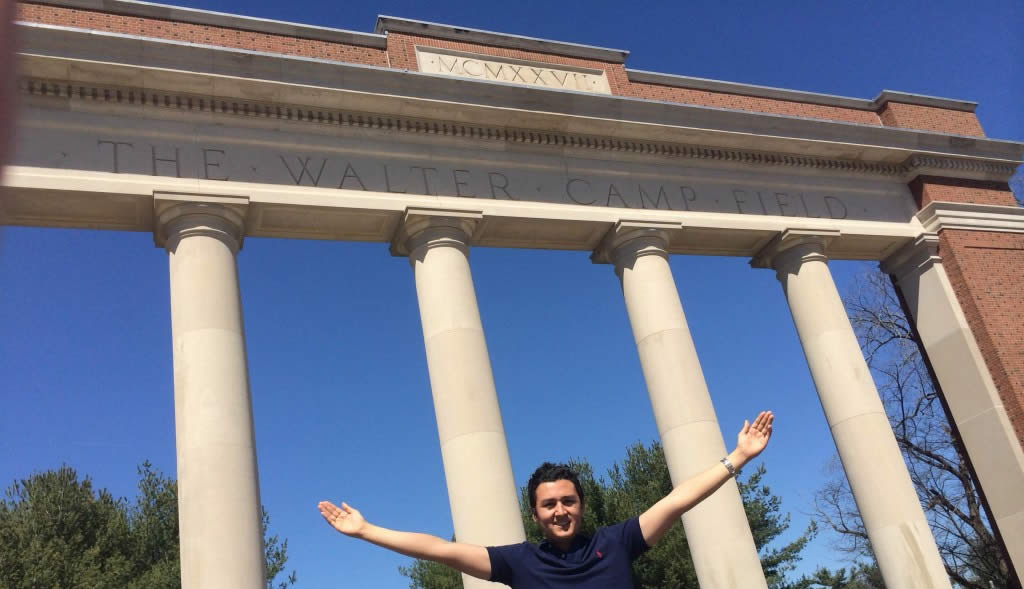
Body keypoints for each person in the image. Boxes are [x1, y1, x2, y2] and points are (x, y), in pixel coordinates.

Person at [318, 410, 774, 588]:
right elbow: (441, 550)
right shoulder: (518, 562)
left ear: (581, 505)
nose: (560, 511)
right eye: (549, 504)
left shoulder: (617, 543)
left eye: (568, 501)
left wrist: (737, 457)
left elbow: (676, 502)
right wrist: (367, 531)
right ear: (535, 514)